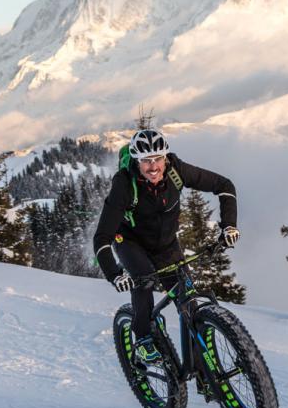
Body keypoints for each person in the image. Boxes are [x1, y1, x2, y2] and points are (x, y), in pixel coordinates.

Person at [93, 128, 240, 363]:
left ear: (166, 157)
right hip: (130, 242)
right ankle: (142, 339)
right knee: (144, 279)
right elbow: (101, 237)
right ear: (137, 161)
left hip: (166, 244)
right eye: (146, 161)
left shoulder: (176, 170)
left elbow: (224, 185)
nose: (153, 167)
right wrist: (115, 274)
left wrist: (229, 226)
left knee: (188, 301)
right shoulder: (124, 184)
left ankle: (205, 374)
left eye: (158, 159)